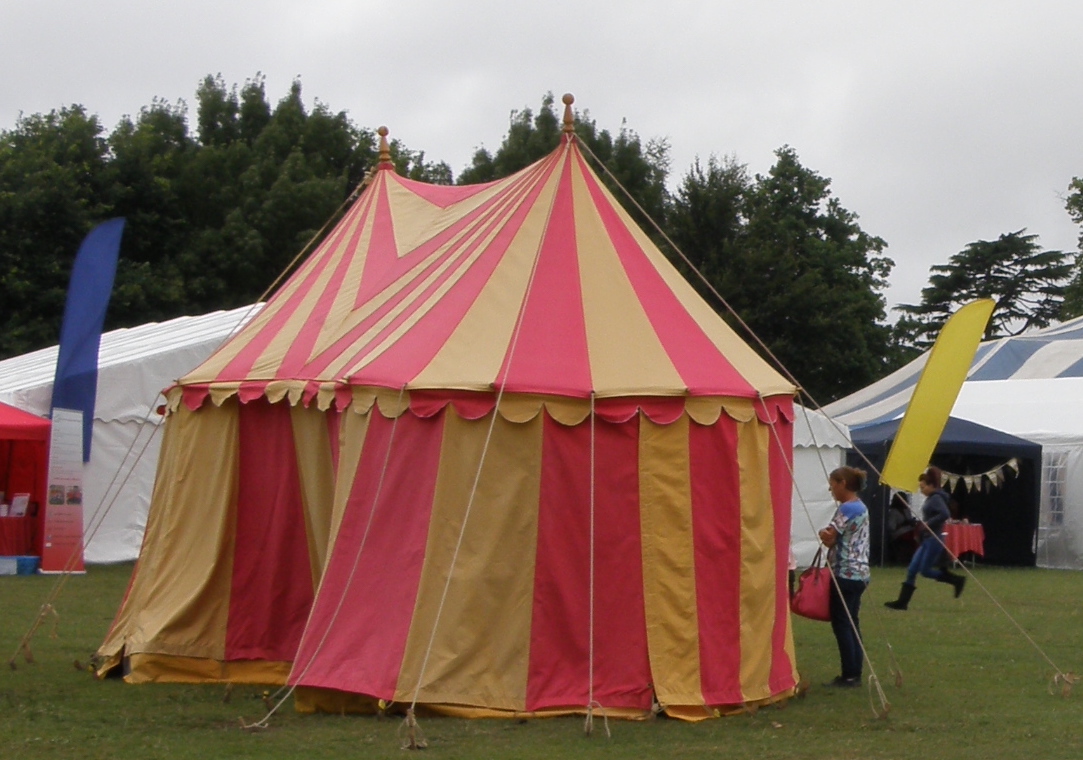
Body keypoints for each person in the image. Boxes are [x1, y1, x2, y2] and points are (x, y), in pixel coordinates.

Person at [884, 466, 966, 610]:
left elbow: (945, 514)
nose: (921, 491)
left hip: (934, 539)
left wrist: (929, 523)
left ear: (931, 486)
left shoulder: (936, 499)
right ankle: (902, 602)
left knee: (925, 571)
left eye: (923, 487)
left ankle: (956, 580)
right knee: (912, 569)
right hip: (927, 539)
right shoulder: (932, 498)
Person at [818, 466, 871, 688]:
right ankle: (854, 671)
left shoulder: (847, 509)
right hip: (860, 571)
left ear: (842, 484)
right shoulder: (861, 507)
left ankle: (849, 673)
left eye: (833, 485)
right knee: (852, 622)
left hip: (844, 571)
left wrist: (824, 534)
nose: (831, 490)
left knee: (842, 623)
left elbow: (830, 538)